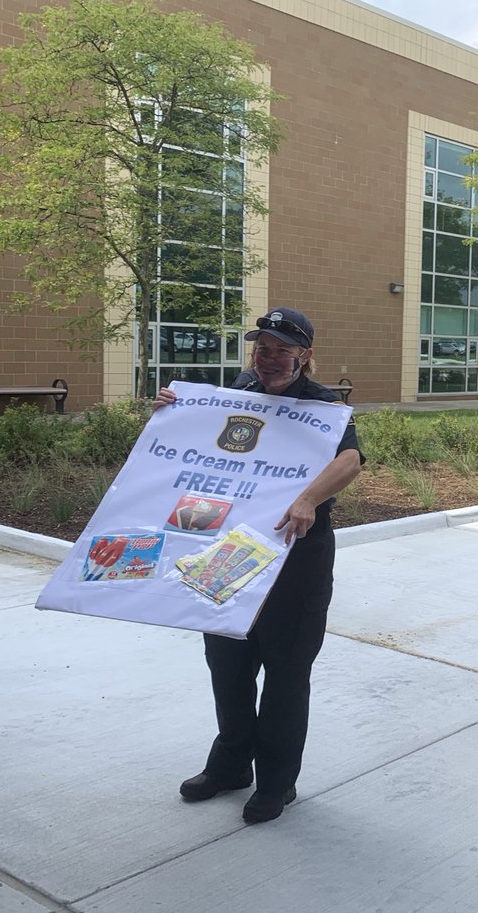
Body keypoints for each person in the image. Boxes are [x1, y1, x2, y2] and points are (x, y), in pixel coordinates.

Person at [154, 307, 363, 824]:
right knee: (227, 665)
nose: (267, 358)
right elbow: (199, 440)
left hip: (297, 557)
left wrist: (309, 498)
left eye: (280, 350)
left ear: (304, 356)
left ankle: (276, 783)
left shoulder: (323, 405)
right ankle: (229, 767)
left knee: (286, 674)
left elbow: (350, 461)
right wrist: (171, 411)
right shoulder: (241, 388)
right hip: (231, 554)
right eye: (261, 347)